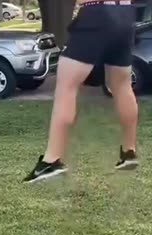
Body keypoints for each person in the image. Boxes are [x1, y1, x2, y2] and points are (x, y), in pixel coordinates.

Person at [23, 0, 139, 183]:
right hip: (125, 14)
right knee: (122, 85)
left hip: (95, 13)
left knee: (66, 86)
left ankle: (51, 160)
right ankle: (129, 151)